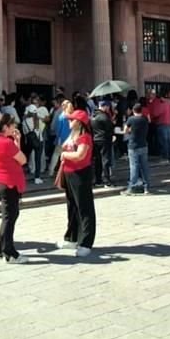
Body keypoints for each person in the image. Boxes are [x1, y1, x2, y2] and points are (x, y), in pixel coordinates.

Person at [0, 113, 28, 263]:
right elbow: (22, 159)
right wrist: (16, 142)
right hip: (8, 183)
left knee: (8, 217)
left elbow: (16, 158)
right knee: (9, 218)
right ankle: (9, 253)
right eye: (12, 125)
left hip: (0, 182)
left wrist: (17, 140)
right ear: (5, 127)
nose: (14, 127)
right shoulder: (6, 142)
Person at [58, 110, 97, 257]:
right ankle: (71, 238)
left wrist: (65, 155)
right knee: (72, 206)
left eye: (72, 119)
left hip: (80, 174)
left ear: (79, 122)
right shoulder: (72, 135)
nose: (69, 121)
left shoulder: (85, 137)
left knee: (84, 207)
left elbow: (80, 155)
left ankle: (86, 242)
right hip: (69, 173)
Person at [121, 103, 151, 195]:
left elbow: (125, 130)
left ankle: (132, 187)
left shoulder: (131, 119)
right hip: (144, 145)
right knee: (144, 166)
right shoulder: (145, 119)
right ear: (141, 110)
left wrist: (130, 131)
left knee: (134, 166)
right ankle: (147, 188)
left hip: (133, 145)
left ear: (133, 111)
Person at [90, 100, 114, 187]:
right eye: (107, 107)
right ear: (105, 106)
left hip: (95, 140)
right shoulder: (104, 117)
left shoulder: (93, 116)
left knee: (97, 160)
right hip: (104, 140)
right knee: (105, 160)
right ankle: (106, 180)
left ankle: (97, 179)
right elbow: (110, 128)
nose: (108, 108)